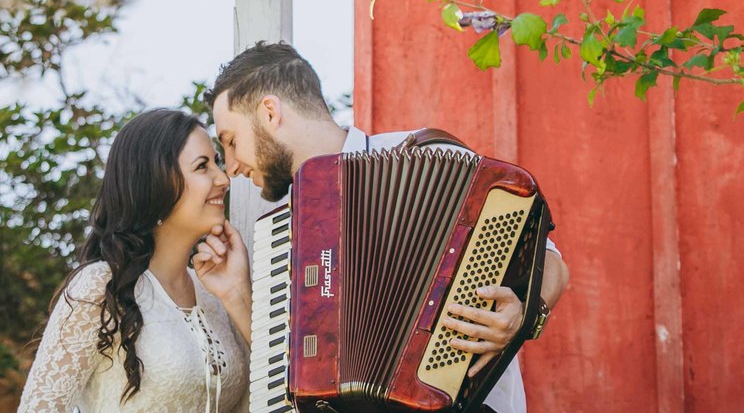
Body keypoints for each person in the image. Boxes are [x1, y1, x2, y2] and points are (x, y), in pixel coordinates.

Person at [205, 42, 570, 413]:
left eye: (231, 141)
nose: (232, 167)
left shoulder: (430, 160)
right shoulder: (286, 236)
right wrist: (236, 291)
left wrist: (523, 312)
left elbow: (551, 263)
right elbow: (294, 380)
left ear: (269, 112)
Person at [18, 108, 253, 413]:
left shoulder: (215, 294)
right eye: (202, 166)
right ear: (156, 182)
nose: (223, 178)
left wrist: (237, 295)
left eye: (217, 163)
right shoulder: (101, 286)